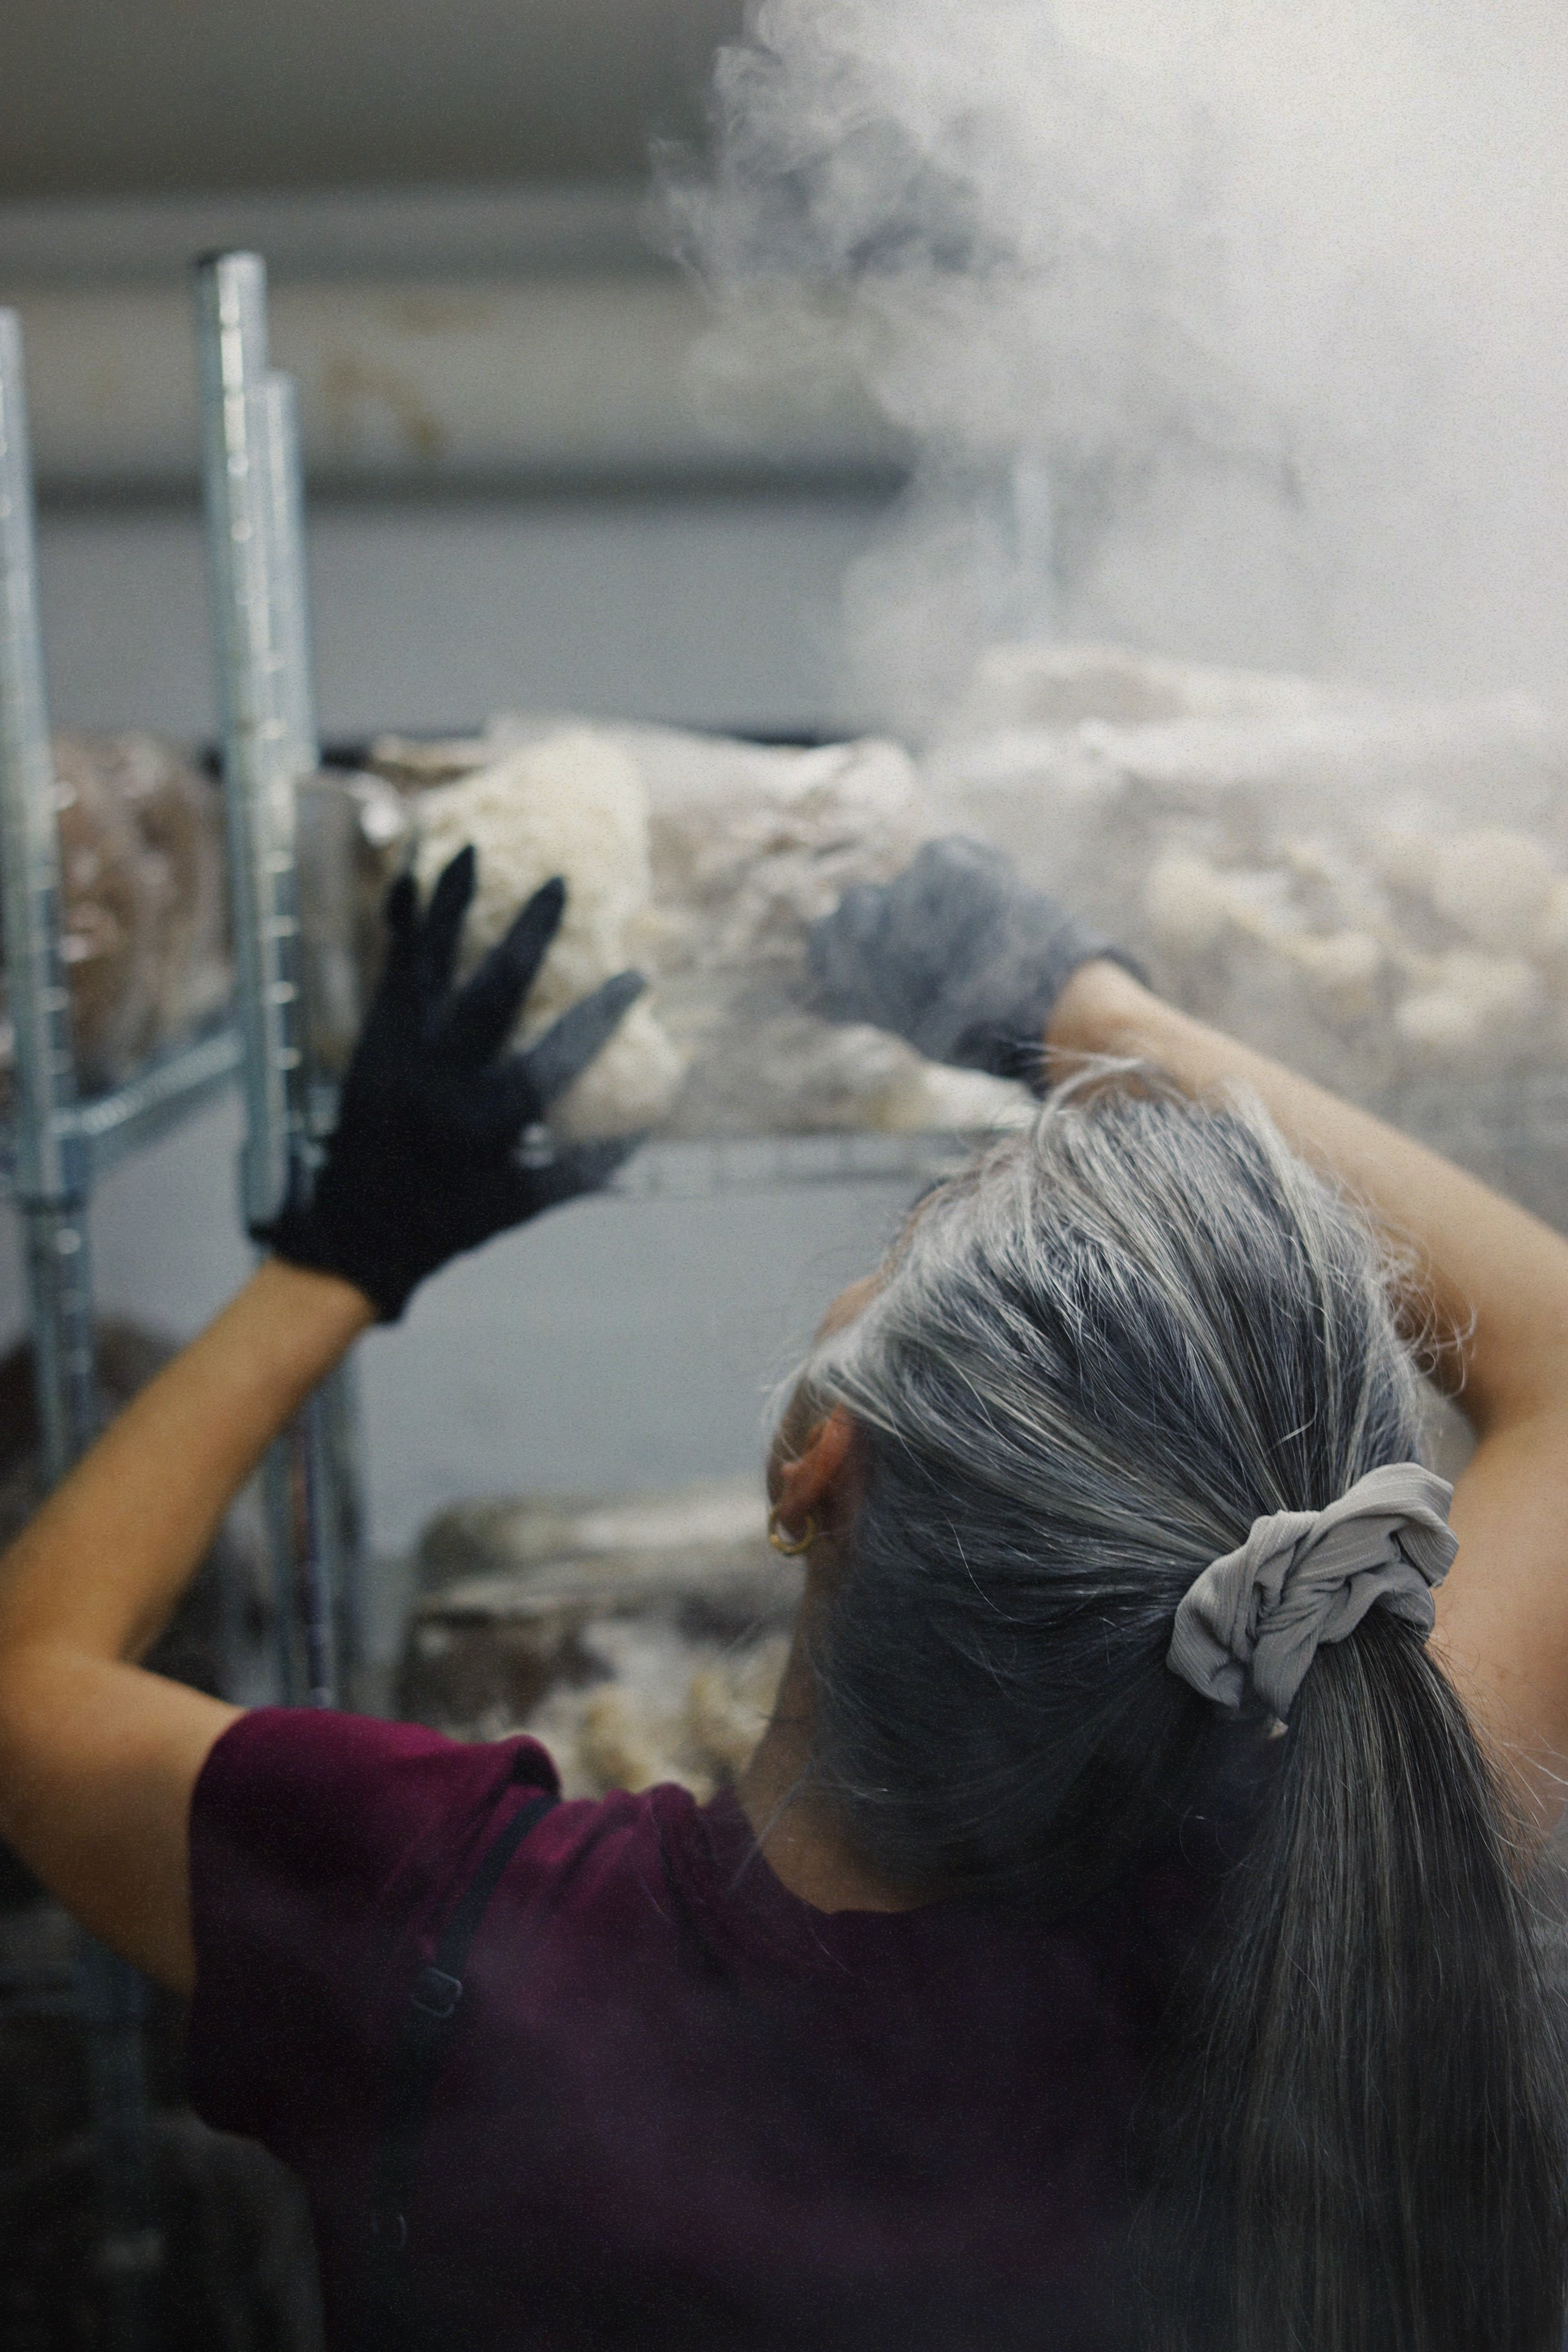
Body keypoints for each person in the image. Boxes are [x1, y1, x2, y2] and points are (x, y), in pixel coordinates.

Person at [0, 835, 1564, 2351]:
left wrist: (342, 1258)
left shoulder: (442, 1934)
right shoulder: (1371, 1874)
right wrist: (1100, 1018)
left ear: (815, 1470)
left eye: (905, 1251)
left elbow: (30, 1678)